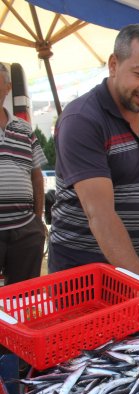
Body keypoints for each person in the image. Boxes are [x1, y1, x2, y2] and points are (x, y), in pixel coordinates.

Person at [48, 24, 139, 327]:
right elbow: (100, 215)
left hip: (135, 274)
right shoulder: (82, 119)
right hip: (83, 283)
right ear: (113, 65)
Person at [0, 63, 46, 284]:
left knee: (23, 298)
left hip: (25, 230)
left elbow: (37, 177)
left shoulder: (24, 129)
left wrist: (38, 220)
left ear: (7, 87)